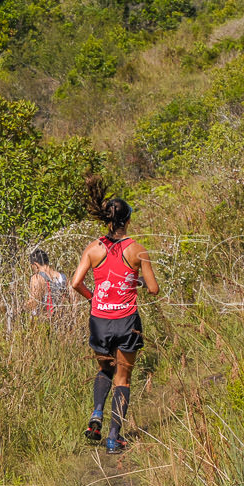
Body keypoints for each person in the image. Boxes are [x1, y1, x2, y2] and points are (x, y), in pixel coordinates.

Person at [70, 176, 159, 454]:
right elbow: (154, 289)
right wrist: (137, 282)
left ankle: (96, 413)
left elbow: (75, 283)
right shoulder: (137, 250)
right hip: (126, 321)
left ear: (106, 220)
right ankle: (113, 438)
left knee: (103, 370)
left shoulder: (93, 248)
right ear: (127, 221)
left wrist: (94, 298)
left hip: (99, 320)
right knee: (123, 378)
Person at [28, 248, 68, 316]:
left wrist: (20, 308)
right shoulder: (63, 277)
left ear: (35, 264)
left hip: (43, 320)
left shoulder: (37, 278)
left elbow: (34, 301)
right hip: (61, 319)